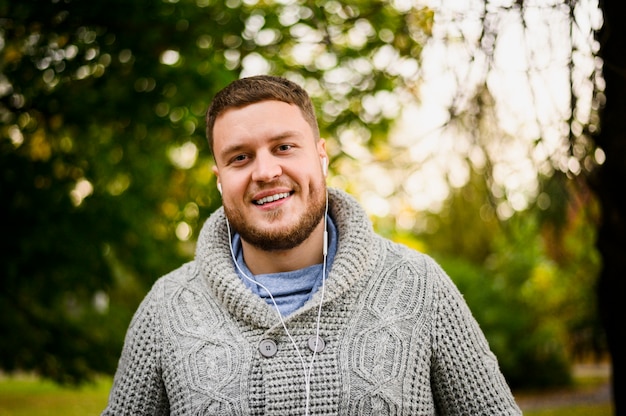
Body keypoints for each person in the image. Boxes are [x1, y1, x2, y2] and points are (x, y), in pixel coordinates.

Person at [102, 75, 522, 415]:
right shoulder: (166, 308)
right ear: (219, 179)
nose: (265, 171)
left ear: (321, 156)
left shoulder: (419, 286)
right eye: (240, 158)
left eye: (284, 147)